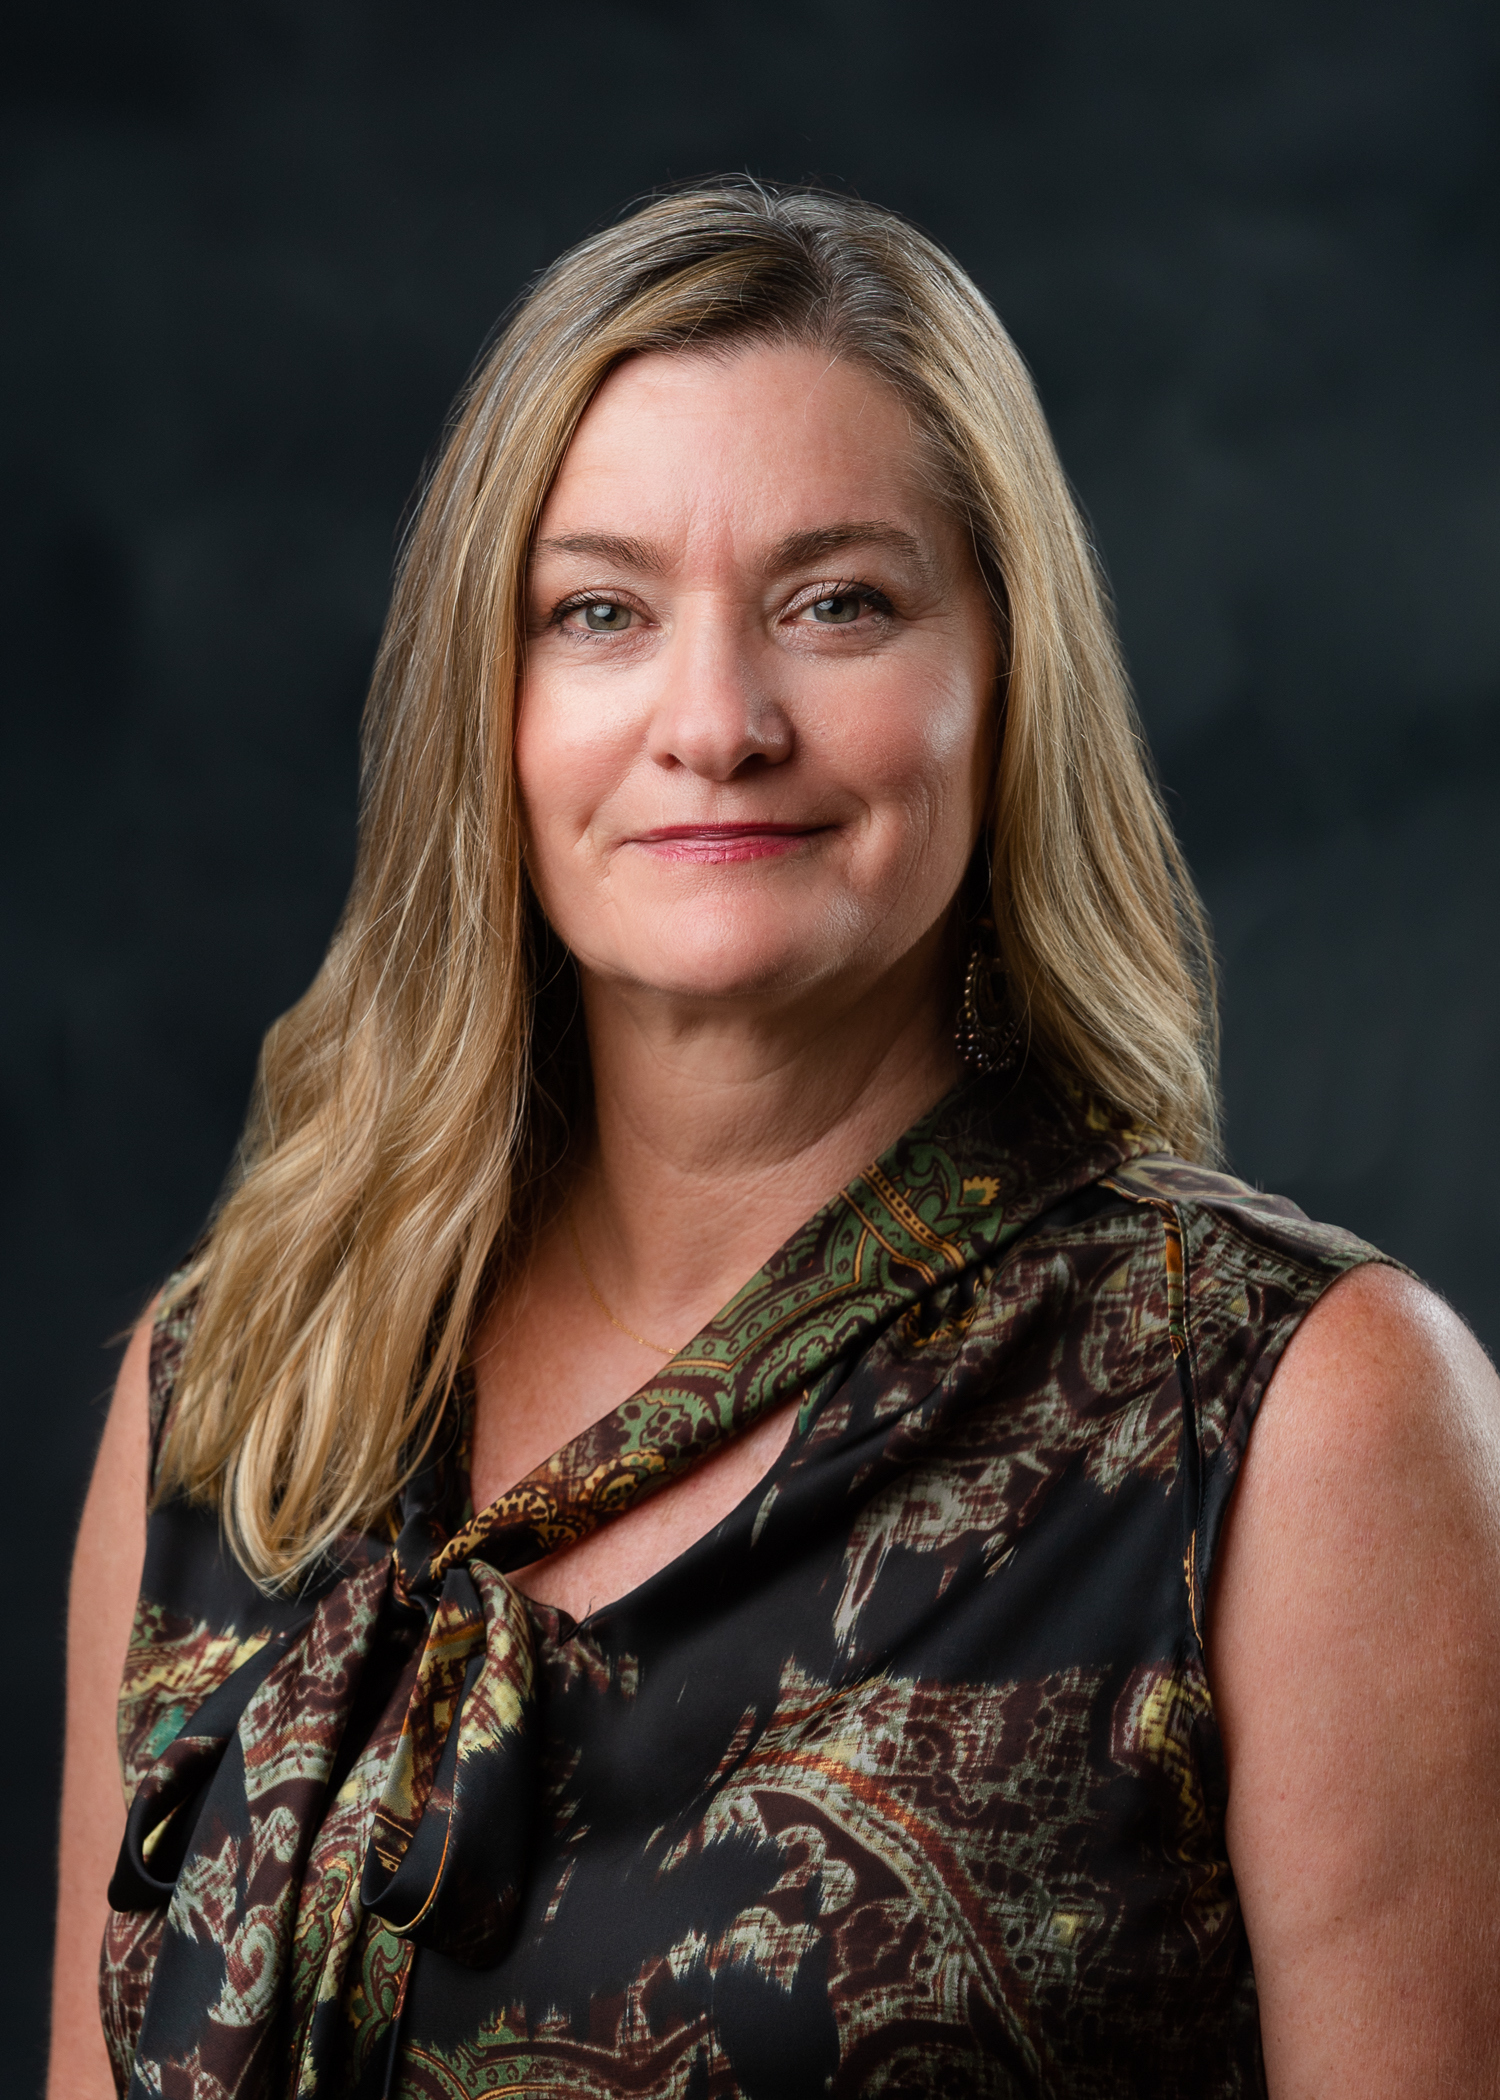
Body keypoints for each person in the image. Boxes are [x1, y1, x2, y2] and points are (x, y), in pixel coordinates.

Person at [52, 181, 1500, 2100]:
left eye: (839, 603)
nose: (716, 720)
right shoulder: (230, 1390)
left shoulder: (1305, 1419)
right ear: (487, 708)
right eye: (601, 612)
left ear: (1002, 684)